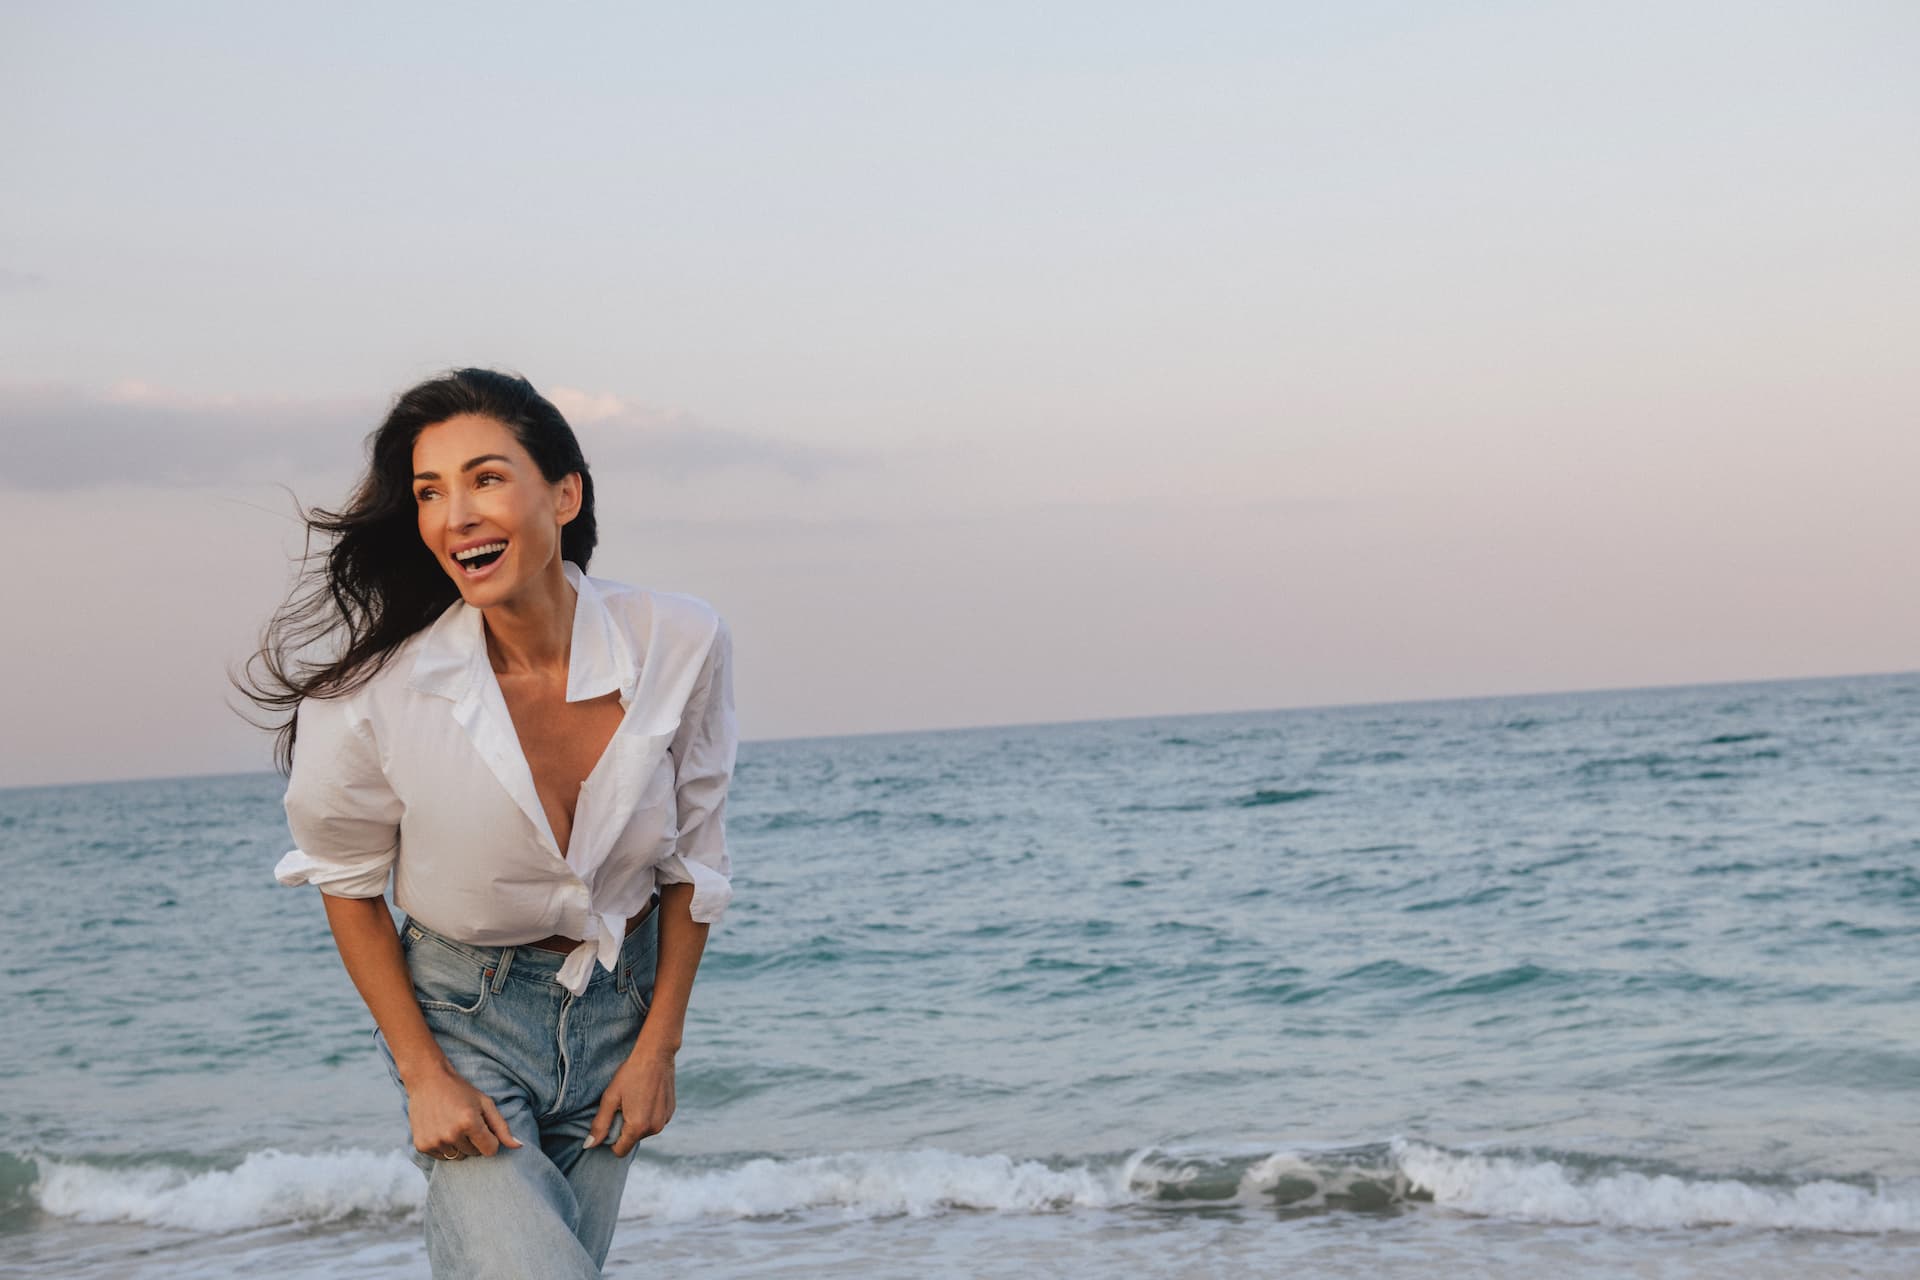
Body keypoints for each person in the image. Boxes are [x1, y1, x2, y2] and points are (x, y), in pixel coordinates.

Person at [241, 368, 737, 1277]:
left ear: (564, 491)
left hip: (619, 1015)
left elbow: (694, 862)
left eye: (485, 478)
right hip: (463, 1020)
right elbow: (347, 885)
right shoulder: (370, 699)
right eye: (430, 492)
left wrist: (660, 1046)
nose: (453, 513)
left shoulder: (680, 641)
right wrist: (424, 1075)